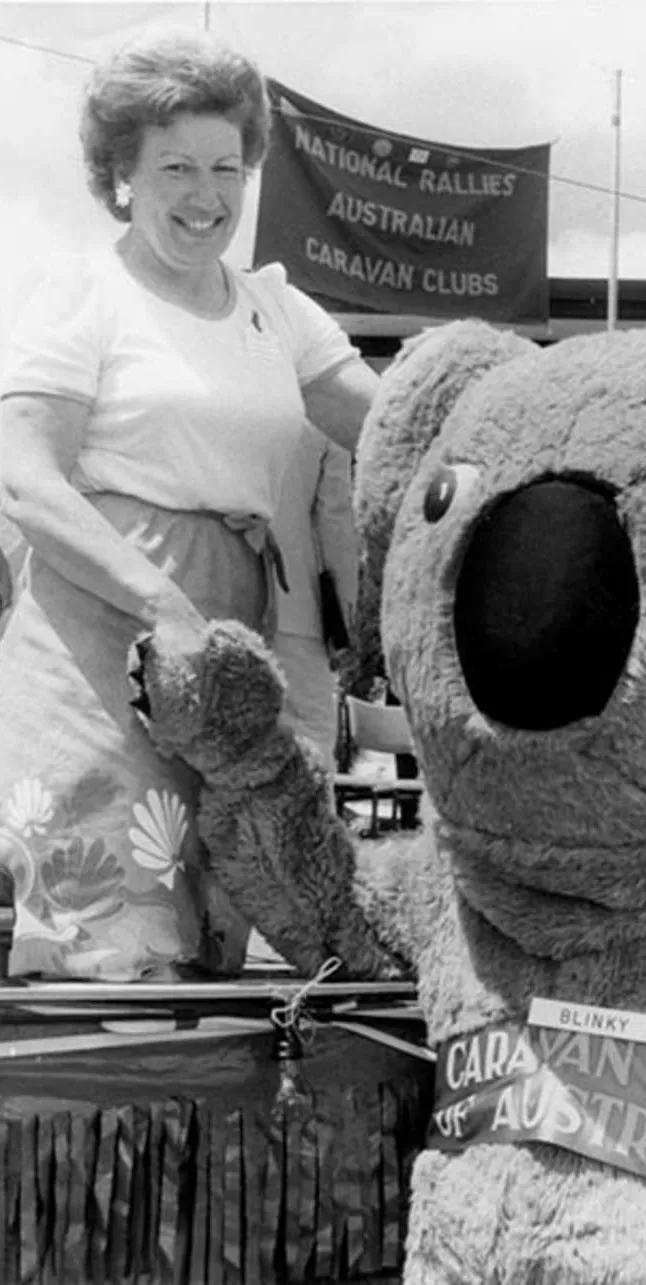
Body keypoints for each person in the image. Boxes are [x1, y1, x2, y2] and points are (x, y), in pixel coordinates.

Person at [0, 29, 379, 980]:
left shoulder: (276, 311)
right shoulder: (83, 294)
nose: (206, 194)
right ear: (121, 176)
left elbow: (389, 420)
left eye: (226, 166)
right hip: (102, 636)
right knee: (110, 942)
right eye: (175, 166)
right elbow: (24, 476)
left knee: (221, 928)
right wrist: (164, 607)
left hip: (241, 641)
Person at [271, 422, 359, 769]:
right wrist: (344, 627)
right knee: (309, 750)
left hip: (207, 596)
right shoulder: (321, 411)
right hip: (297, 609)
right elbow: (335, 524)